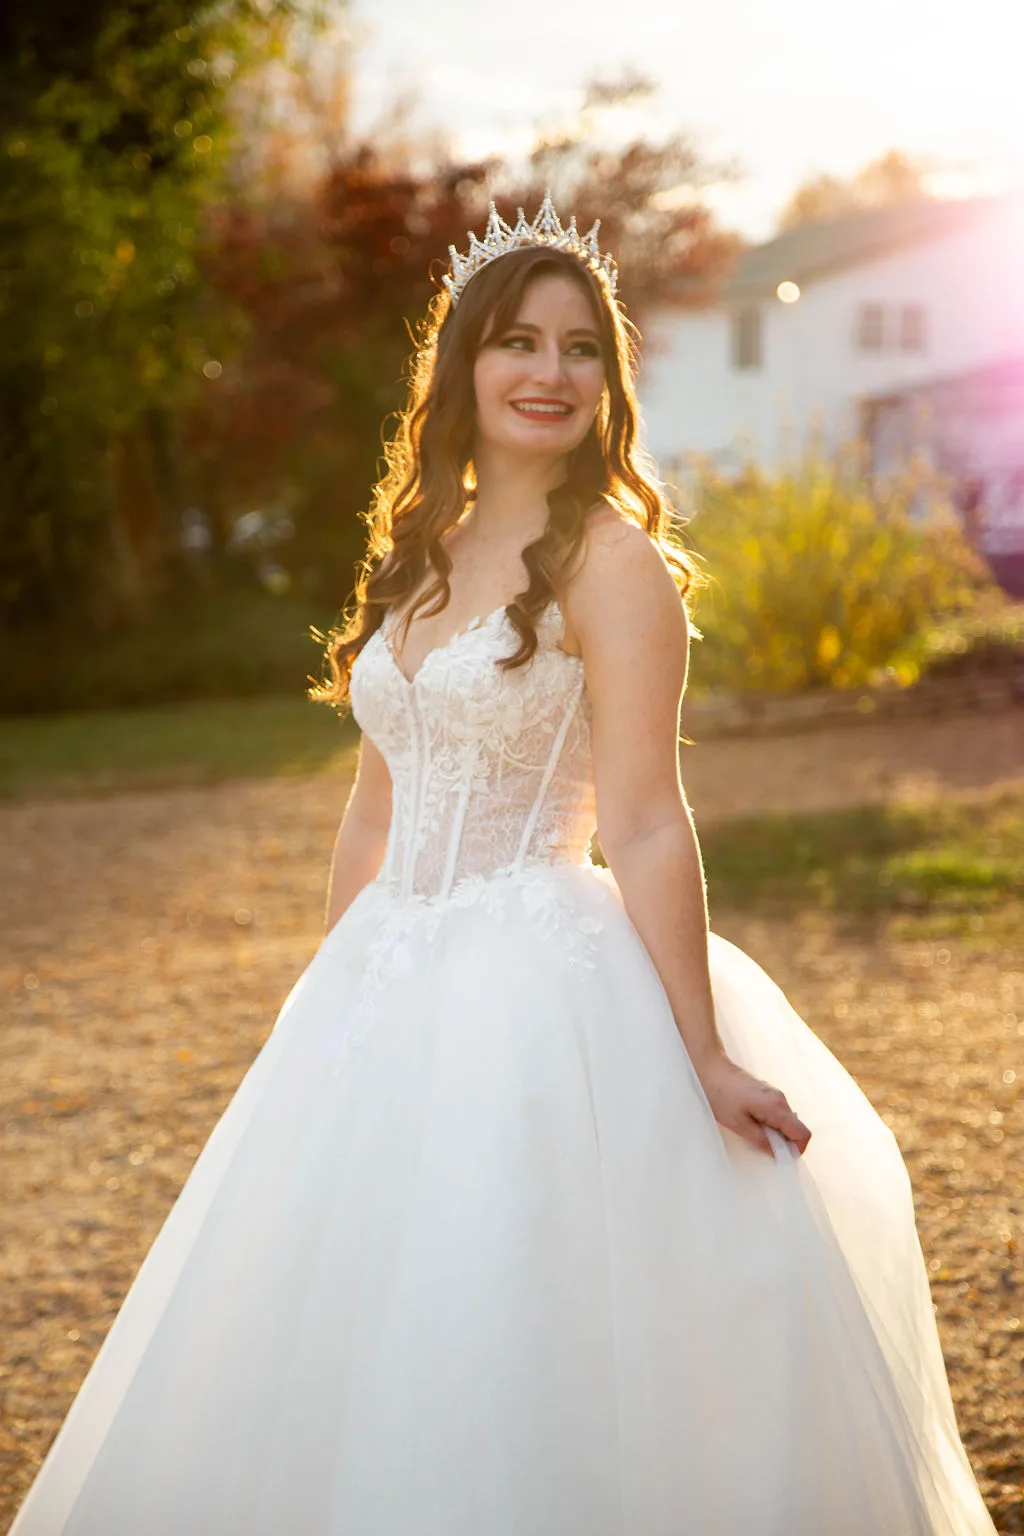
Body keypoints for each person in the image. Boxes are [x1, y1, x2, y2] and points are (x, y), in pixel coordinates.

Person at [9, 194, 996, 1536]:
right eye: (520, 342)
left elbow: (645, 820)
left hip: (539, 984)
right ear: (463, 364)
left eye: (583, 348)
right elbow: (373, 805)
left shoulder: (614, 565)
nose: (552, 372)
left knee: (516, 1309)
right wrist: (334, 999)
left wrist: (703, 1052)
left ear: (610, 382)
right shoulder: (418, 554)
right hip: (387, 973)